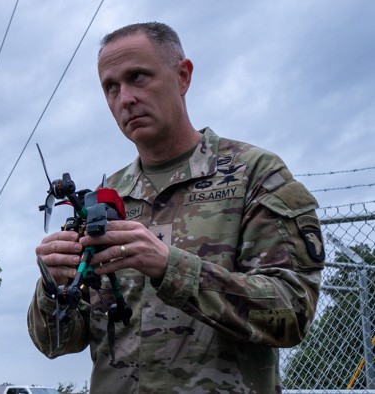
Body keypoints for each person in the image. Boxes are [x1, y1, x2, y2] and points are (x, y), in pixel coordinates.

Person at [28, 22, 324, 393]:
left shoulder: (254, 175)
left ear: (182, 76)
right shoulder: (104, 200)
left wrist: (171, 267)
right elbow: (57, 343)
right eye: (111, 87)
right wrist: (53, 286)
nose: (125, 98)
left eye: (138, 77)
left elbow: (293, 313)